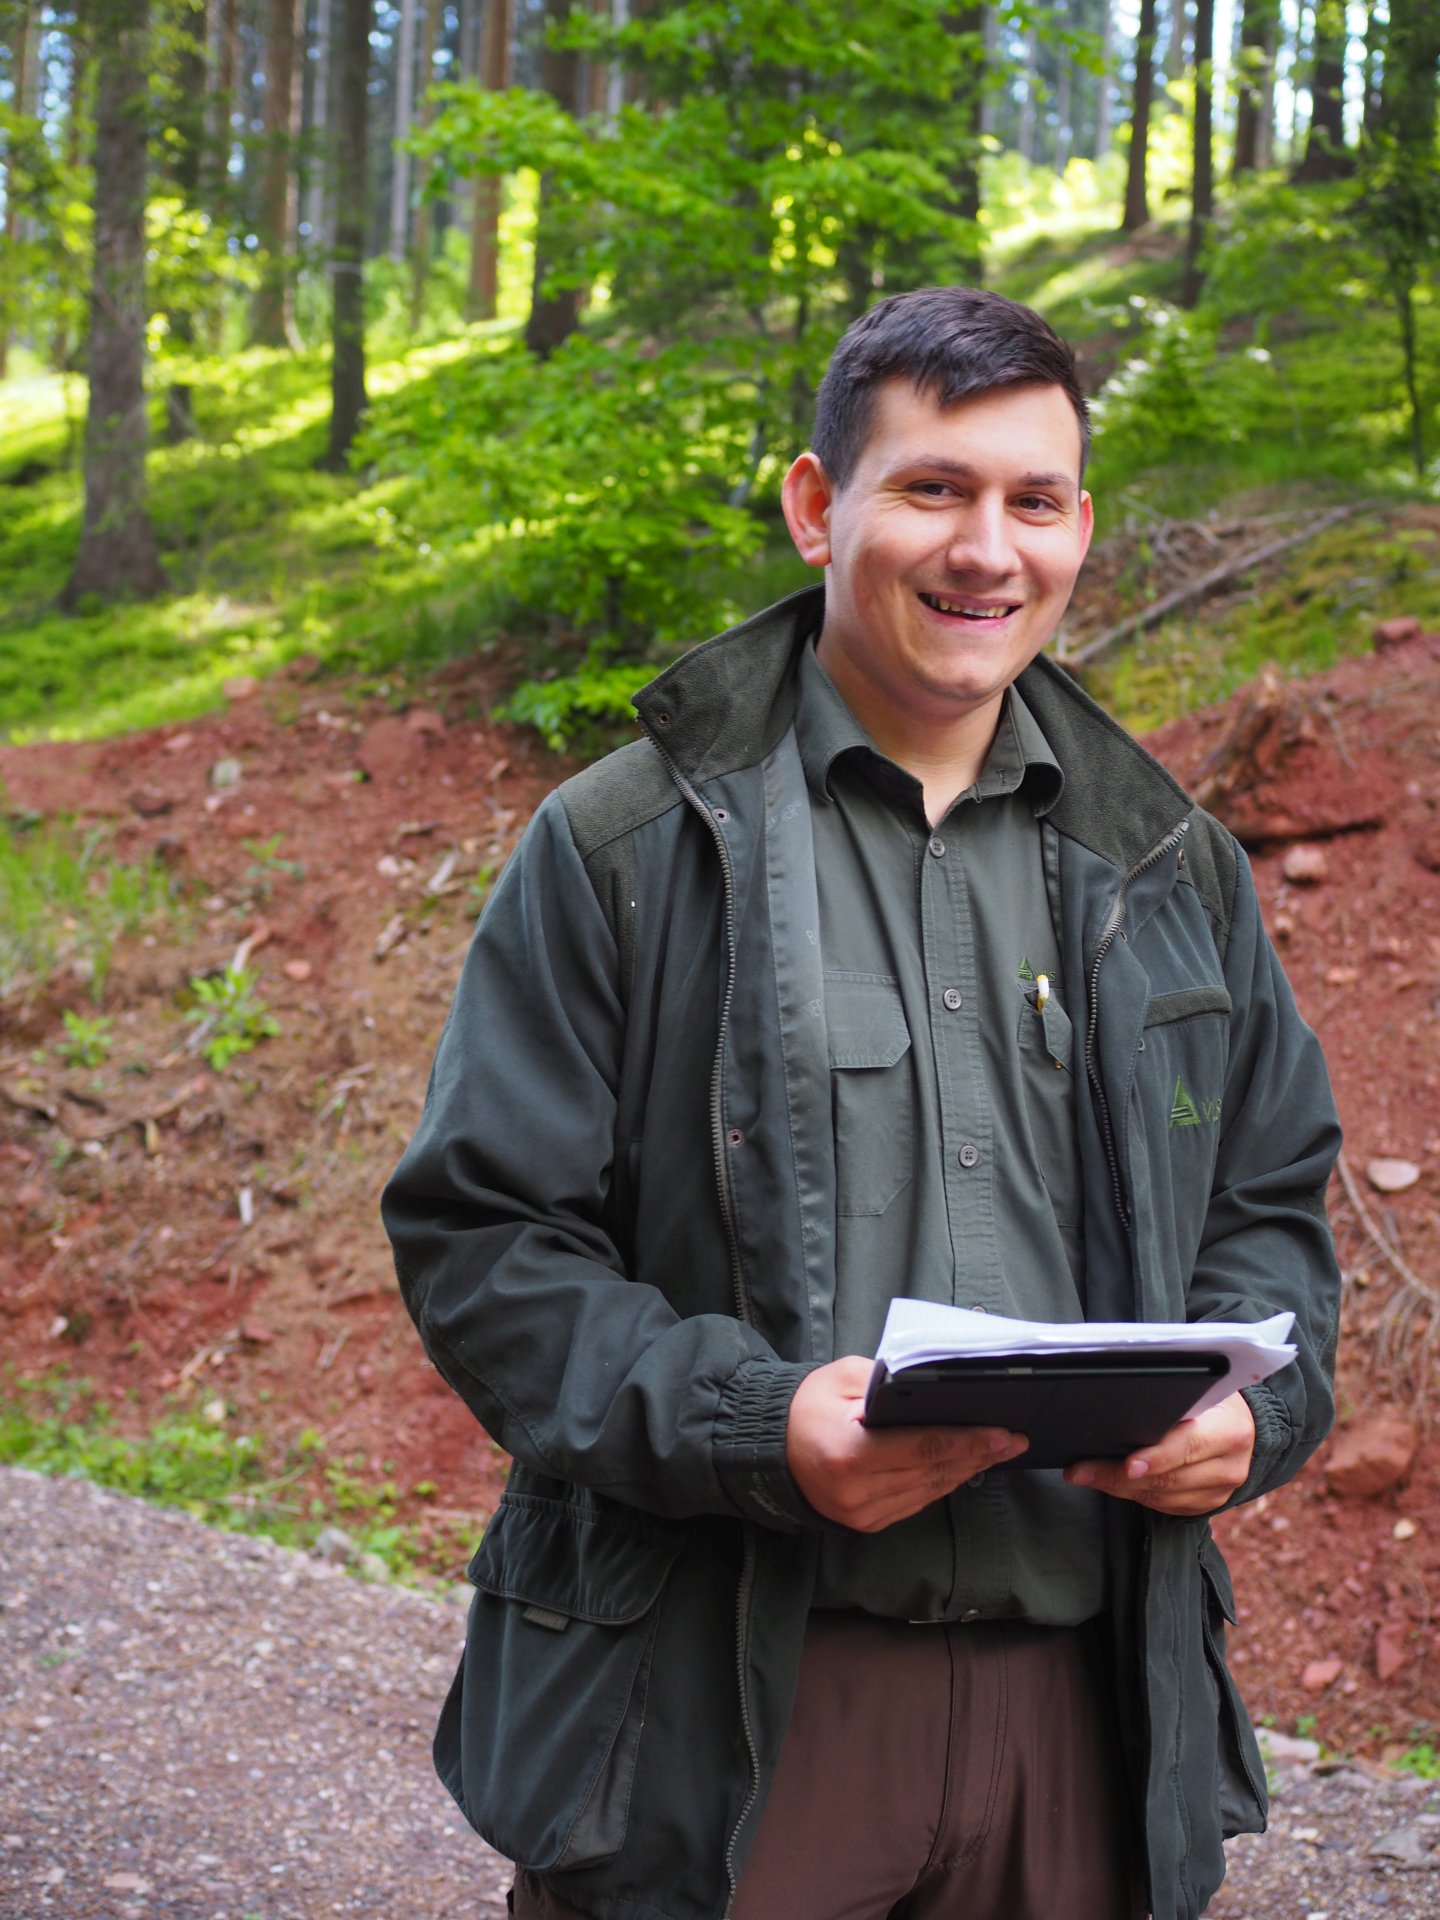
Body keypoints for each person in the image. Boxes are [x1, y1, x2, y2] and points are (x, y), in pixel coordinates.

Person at [382, 286, 1342, 1920]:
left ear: (1080, 528)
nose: (987, 550)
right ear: (819, 506)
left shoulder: (1173, 869)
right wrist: (755, 1426)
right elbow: (485, 1245)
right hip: (721, 1706)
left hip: (1084, 1719)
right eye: (934, 489)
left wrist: (1264, 1413)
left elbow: (1267, 1209)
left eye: (1033, 500)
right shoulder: (626, 848)